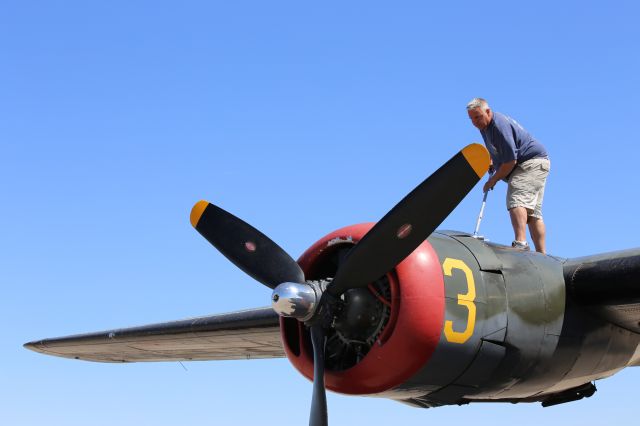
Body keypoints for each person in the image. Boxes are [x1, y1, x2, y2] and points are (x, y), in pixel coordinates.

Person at [466, 98, 550, 254]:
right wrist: (492, 162)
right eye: (471, 119)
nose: (475, 122)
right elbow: (495, 149)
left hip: (529, 163)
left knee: (516, 199)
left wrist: (493, 179)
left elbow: (511, 161)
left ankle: (521, 243)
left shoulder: (498, 126)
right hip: (537, 162)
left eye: (477, 117)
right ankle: (542, 255)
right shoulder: (485, 127)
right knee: (532, 213)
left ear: (488, 112)